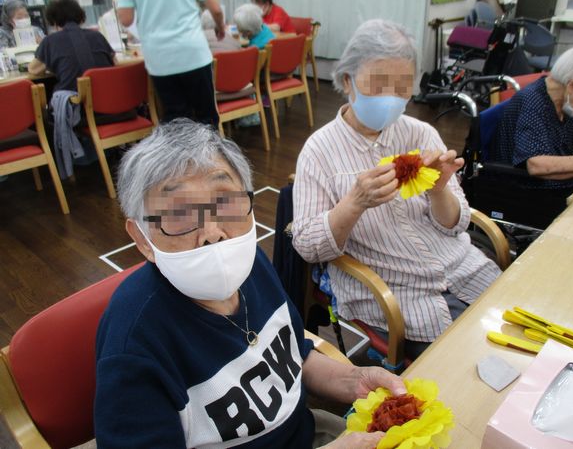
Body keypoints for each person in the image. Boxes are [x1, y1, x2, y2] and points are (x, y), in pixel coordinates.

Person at [94, 119, 405, 449]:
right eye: (179, 215)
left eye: (225, 203)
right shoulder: (133, 348)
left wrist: (354, 379)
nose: (213, 232)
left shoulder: (250, 263)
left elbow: (293, 352)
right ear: (142, 240)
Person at [292, 20, 501, 361]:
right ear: (347, 81)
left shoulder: (421, 133)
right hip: (398, 291)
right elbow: (306, 245)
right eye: (378, 84)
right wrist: (355, 202)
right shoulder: (319, 151)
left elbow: (456, 223)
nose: (391, 98)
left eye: (402, 86)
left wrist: (439, 190)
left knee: (511, 336)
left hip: (464, 268)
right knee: (466, 362)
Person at [489, 41, 573, 212]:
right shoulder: (534, 103)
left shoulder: (561, 98)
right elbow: (537, 164)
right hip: (531, 193)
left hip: (562, 185)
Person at [28, 0, 115, 180]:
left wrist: (56, 64)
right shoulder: (97, 36)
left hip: (78, 109)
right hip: (110, 105)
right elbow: (115, 63)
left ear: (52, 21)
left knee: (42, 114)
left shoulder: (50, 41)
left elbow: (34, 70)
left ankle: (65, 168)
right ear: (81, 17)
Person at [117, 0, 224, 125]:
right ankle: (211, 144)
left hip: (159, 57)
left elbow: (126, 19)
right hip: (193, 52)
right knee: (207, 117)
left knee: (178, 120)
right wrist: (220, 26)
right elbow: (216, 10)